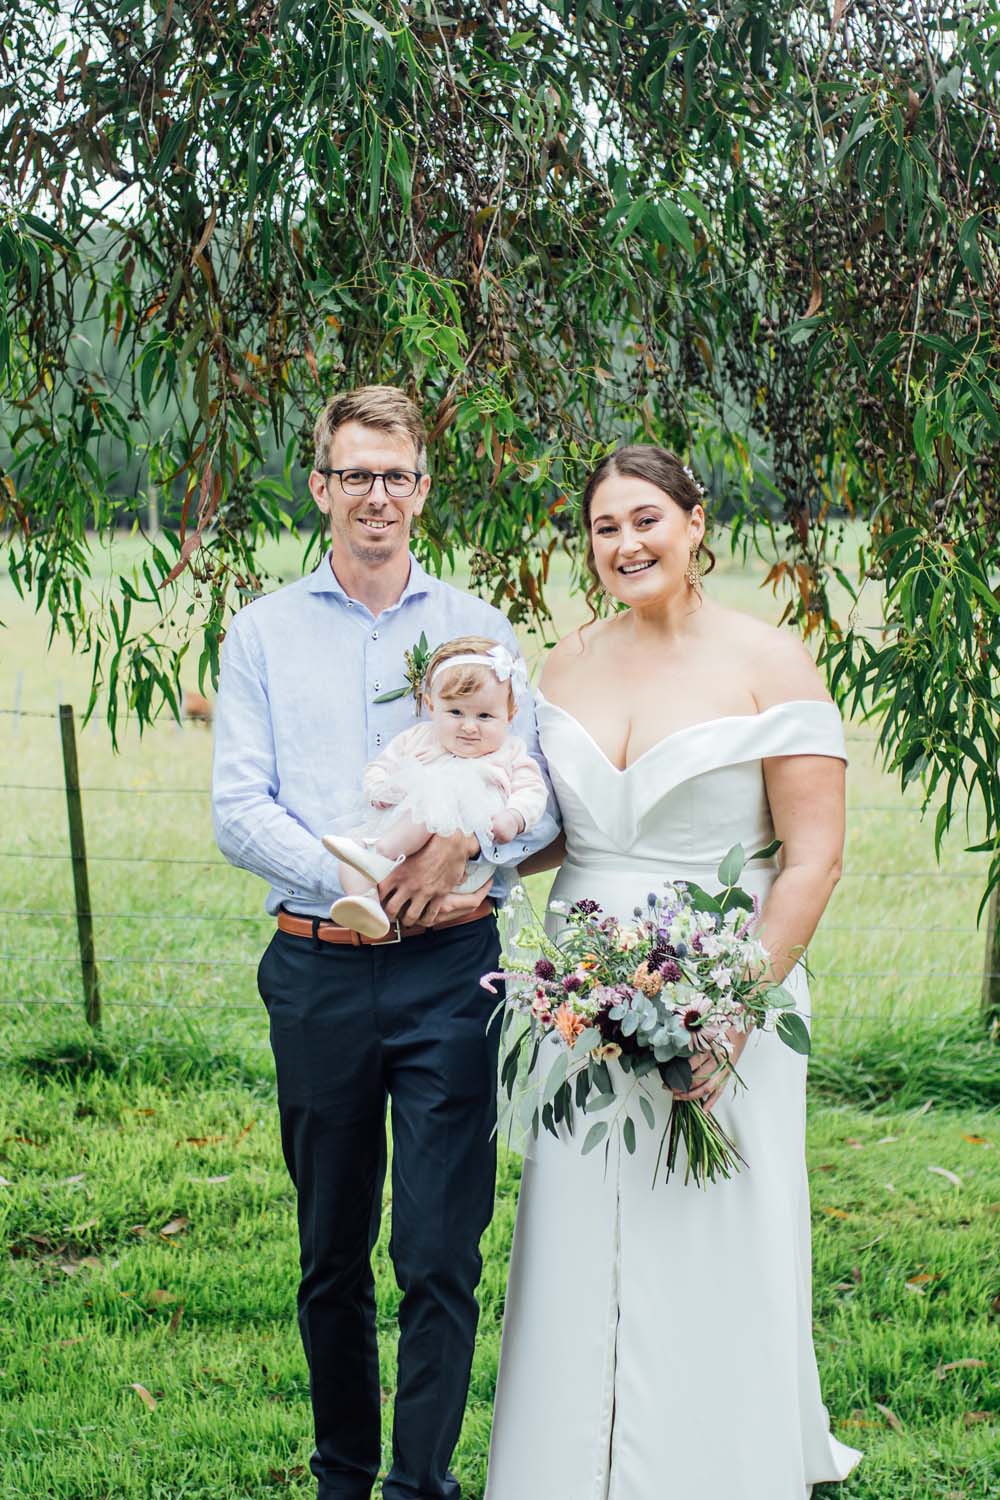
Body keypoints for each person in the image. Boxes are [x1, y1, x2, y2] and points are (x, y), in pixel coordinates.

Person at [485, 445, 861, 1500]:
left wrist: (729, 1011)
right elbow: (556, 830)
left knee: (710, 1219)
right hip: (580, 990)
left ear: (695, 523)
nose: (626, 544)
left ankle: (717, 1462)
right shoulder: (561, 663)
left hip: (724, 973)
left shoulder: (768, 661)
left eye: (646, 519)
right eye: (605, 528)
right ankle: (568, 1461)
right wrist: (460, 849)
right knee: (576, 1210)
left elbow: (812, 855)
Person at [211, 385, 558, 1500]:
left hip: (453, 973)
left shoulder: (481, 630)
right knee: (330, 1255)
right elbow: (239, 809)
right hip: (316, 968)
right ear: (320, 487)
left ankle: (418, 1485)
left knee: (440, 1253)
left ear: (421, 489)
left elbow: (541, 801)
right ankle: (342, 1477)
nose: (375, 494)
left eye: (395, 475)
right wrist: (360, 873)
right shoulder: (262, 631)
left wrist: (457, 856)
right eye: (353, 473)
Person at [323, 635, 549, 938]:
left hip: (458, 870)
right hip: (400, 852)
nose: (469, 726)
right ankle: (367, 903)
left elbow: (532, 791)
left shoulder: (509, 751)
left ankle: (380, 854)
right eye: (456, 712)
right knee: (350, 851)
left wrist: (515, 817)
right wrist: (381, 790)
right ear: (431, 706)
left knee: (435, 796)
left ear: (510, 715)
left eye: (484, 716)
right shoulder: (417, 738)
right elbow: (380, 768)